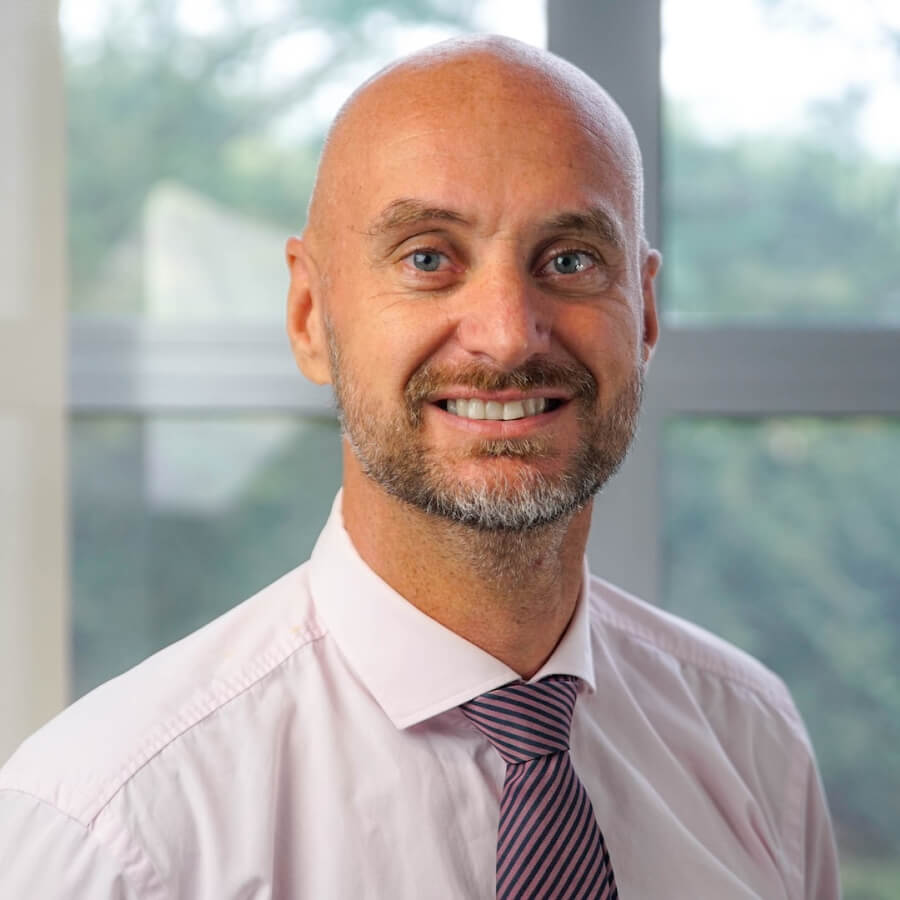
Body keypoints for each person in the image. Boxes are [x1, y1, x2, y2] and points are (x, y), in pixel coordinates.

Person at [0, 35, 839, 899]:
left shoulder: (753, 741)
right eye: (428, 259)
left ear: (646, 313)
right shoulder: (112, 832)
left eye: (571, 261)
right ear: (309, 315)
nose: (507, 336)